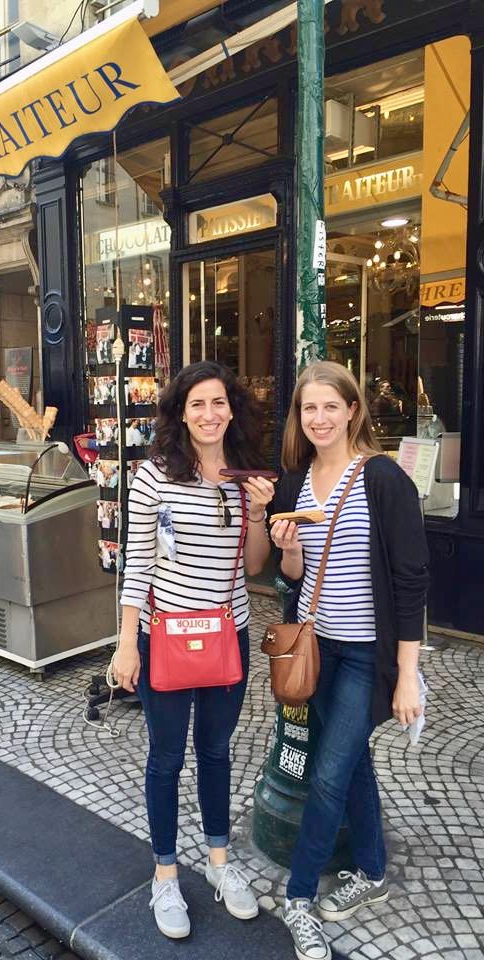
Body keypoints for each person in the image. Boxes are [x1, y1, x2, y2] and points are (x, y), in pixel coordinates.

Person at [268, 361, 428, 960]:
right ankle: (373, 871)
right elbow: (291, 577)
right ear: (299, 416)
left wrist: (408, 674)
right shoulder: (294, 483)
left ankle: (299, 898)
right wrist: (287, 550)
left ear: (353, 411)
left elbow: (412, 582)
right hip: (316, 649)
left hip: (366, 655)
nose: (320, 418)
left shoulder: (382, 479)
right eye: (309, 408)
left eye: (331, 406)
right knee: (351, 759)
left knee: (327, 772)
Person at [113, 360, 275, 940]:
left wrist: (258, 512)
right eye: (198, 404)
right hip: (167, 637)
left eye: (219, 403)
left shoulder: (244, 477)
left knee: (216, 751)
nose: (210, 414)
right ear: (181, 412)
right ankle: (164, 874)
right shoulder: (156, 474)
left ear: (233, 410)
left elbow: (255, 566)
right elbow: (138, 562)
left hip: (228, 634)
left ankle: (219, 863)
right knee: (165, 756)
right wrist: (127, 643)